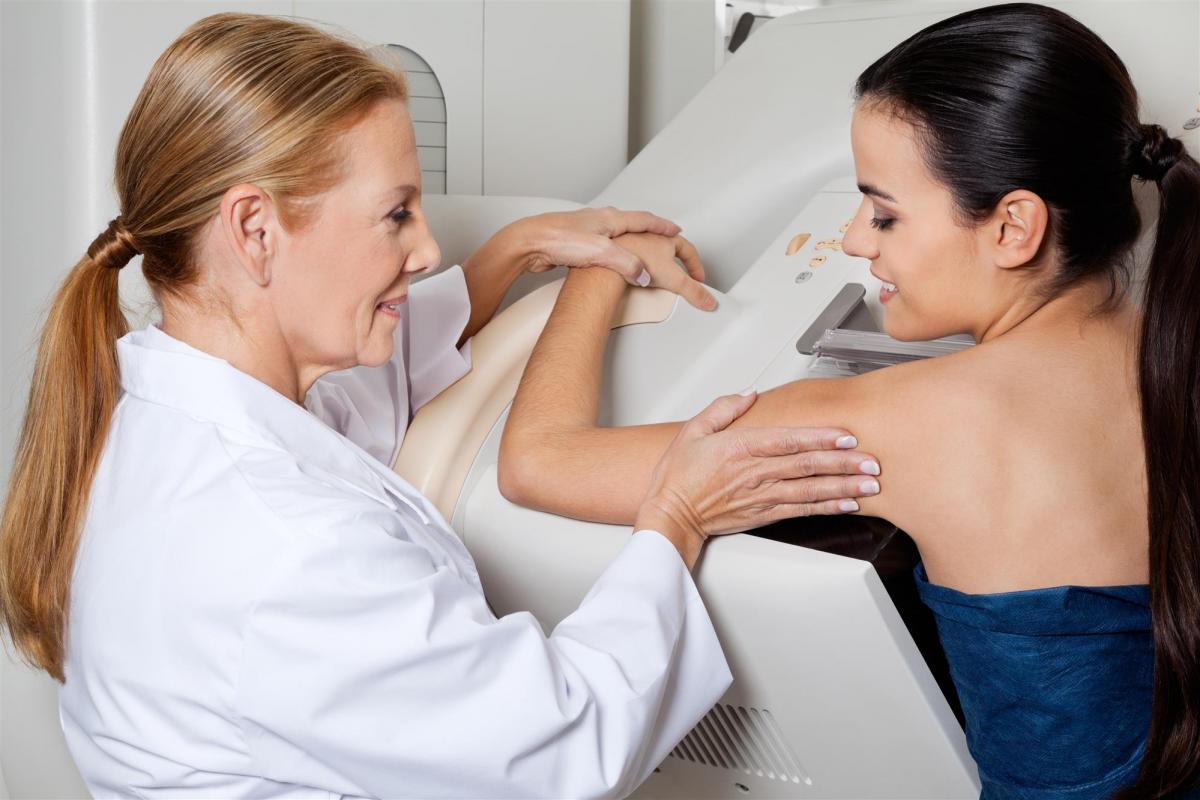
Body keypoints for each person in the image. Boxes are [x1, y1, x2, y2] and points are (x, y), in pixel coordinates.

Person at [0, 12, 882, 798]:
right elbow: (562, 745)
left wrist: (516, 253)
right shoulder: (282, 552)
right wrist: (679, 515)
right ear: (254, 229)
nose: (425, 249)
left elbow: (355, 404)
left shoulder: (156, 398)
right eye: (396, 215)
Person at [498, 4, 1200, 797]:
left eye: (884, 213)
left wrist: (600, 267)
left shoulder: (909, 419)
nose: (855, 240)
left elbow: (536, 463)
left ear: (1014, 228)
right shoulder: (1178, 345)